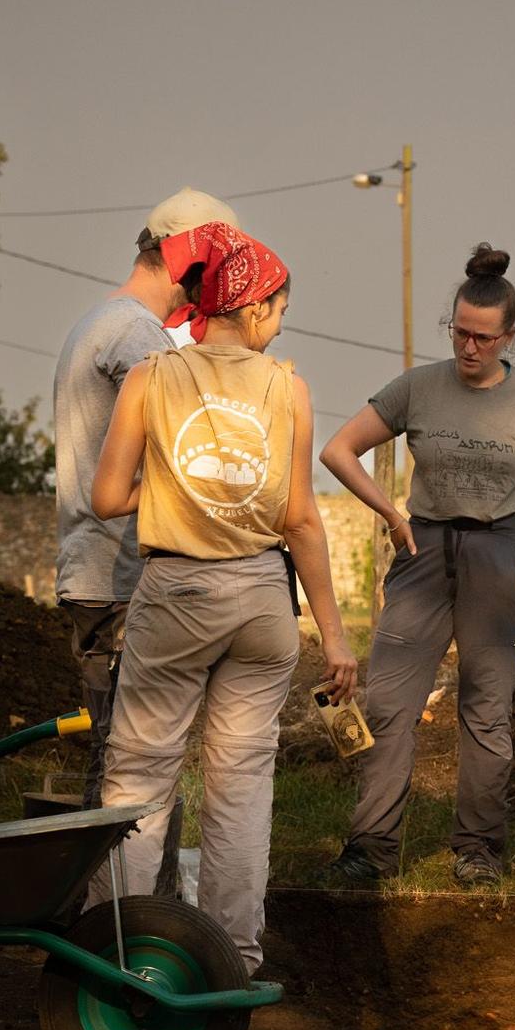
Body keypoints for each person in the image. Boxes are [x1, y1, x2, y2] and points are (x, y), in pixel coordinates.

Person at [89, 221, 355, 971]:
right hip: (263, 600)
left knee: (140, 776)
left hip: (176, 593)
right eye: (279, 309)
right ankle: (233, 957)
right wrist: (334, 636)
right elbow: (300, 518)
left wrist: (177, 487)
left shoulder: (149, 376)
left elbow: (107, 495)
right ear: (259, 308)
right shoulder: (288, 389)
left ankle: (120, 951)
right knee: (241, 788)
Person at [322, 244, 515, 889]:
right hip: (423, 551)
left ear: (509, 338)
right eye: (460, 333)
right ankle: (372, 848)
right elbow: (338, 450)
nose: (469, 347)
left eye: (483, 338)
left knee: (486, 709)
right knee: (388, 702)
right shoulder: (417, 388)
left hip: (502, 555)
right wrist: (390, 512)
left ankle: (478, 850)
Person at [55, 187, 238, 902]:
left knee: (117, 755)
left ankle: (115, 911)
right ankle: (124, 926)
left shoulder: (102, 322)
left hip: (97, 570)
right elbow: (199, 440)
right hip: (121, 574)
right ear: (183, 257)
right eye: (213, 269)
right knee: (131, 763)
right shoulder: (134, 336)